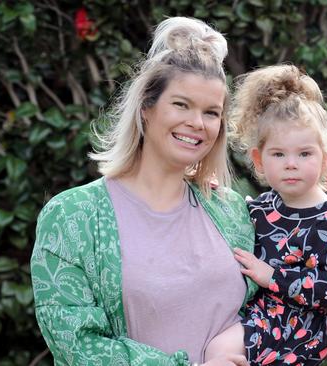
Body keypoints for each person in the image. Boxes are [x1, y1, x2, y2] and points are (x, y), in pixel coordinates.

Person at [30, 17, 257, 366]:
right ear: (146, 109)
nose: (197, 123)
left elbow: (269, 306)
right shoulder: (72, 217)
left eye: (211, 112)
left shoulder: (230, 211)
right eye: (181, 104)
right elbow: (78, 345)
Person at [203, 65, 327, 365]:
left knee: (219, 351)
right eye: (279, 154)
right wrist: (211, 194)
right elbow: (228, 225)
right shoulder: (261, 209)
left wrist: (273, 276)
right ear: (259, 160)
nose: (291, 164)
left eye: (304, 154)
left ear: (325, 157)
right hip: (256, 316)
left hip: (299, 329)